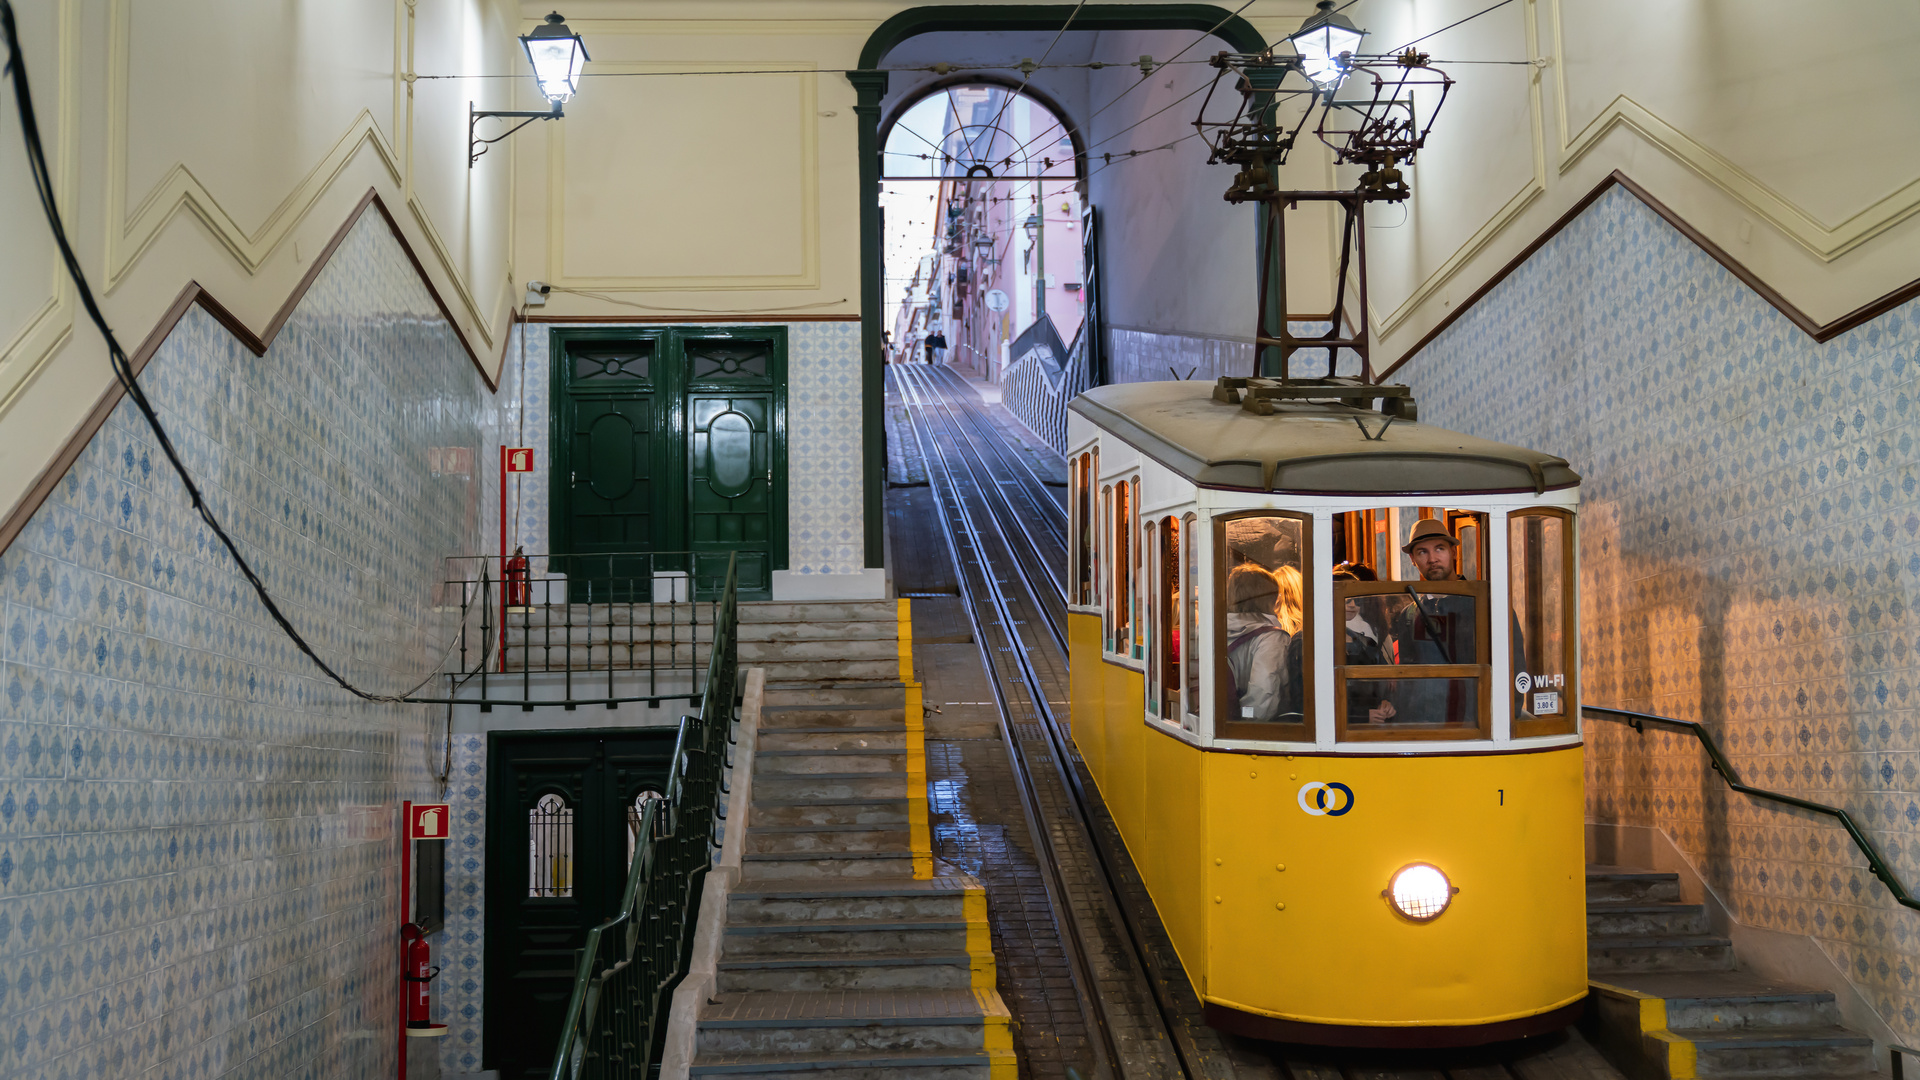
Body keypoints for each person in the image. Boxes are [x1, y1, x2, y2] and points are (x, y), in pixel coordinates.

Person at [1387, 519, 1478, 725]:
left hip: (1474, 724)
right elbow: (1406, 677)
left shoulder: (1482, 604)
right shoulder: (1409, 615)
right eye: (1422, 552)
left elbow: (1510, 664)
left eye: (1439, 549)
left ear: (1453, 552)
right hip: (1425, 725)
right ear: (1412, 559)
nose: (1432, 559)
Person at [1224, 564, 1299, 723]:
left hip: (1214, 722)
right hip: (1253, 730)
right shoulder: (1270, 637)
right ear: (1270, 597)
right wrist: (1248, 726)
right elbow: (1264, 693)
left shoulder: (1214, 629)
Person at [1333, 566, 1397, 724]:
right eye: (1346, 599)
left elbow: (1381, 683)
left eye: (1357, 599)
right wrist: (1360, 717)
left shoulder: (1366, 639)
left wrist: (1386, 704)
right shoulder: (1311, 642)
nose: (1353, 605)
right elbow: (1308, 700)